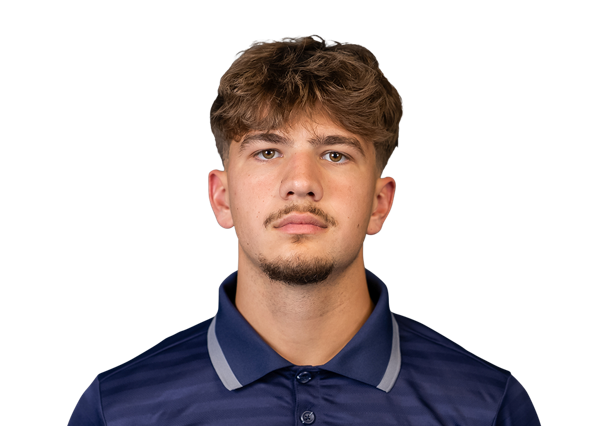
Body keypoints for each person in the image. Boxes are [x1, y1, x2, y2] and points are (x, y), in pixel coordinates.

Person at [68, 35, 540, 425]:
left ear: (380, 203)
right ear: (222, 197)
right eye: (267, 152)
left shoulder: (487, 406)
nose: (300, 182)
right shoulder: (118, 409)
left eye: (335, 154)